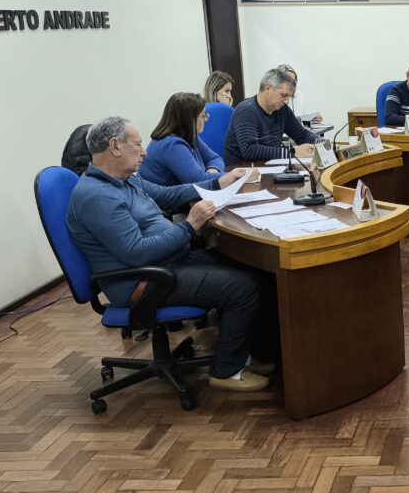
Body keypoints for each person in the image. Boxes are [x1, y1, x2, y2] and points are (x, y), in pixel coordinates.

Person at [67, 116, 274, 392]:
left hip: (166, 261)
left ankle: (247, 354)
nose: (144, 152)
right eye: (137, 145)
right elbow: (137, 253)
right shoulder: (97, 196)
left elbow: (167, 194)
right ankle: (227, 371)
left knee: (253, 267)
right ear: (115, 146)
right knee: (241, 287)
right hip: (142, 281)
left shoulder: (124, 180)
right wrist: (189, 225)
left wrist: (218, 183)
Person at [222, 67, 320, 166]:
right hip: (240, 170)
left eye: (289, 97)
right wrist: (292, 152)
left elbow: (302, 135)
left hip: (269, 167)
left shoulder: (282, 110)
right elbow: (250, 150)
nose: (287, 101)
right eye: (284, 95)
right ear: (267, 88)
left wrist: (321, 142)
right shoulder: (246, 111)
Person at [141, 93, 229, 185]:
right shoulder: (171, 145)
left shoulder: (189, 136)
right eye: (203, 115)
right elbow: (198, 181)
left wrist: (212, 171)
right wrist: (232, 176)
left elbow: (215, 158)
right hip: (155, 195)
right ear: (190, 119)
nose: (206, 119)